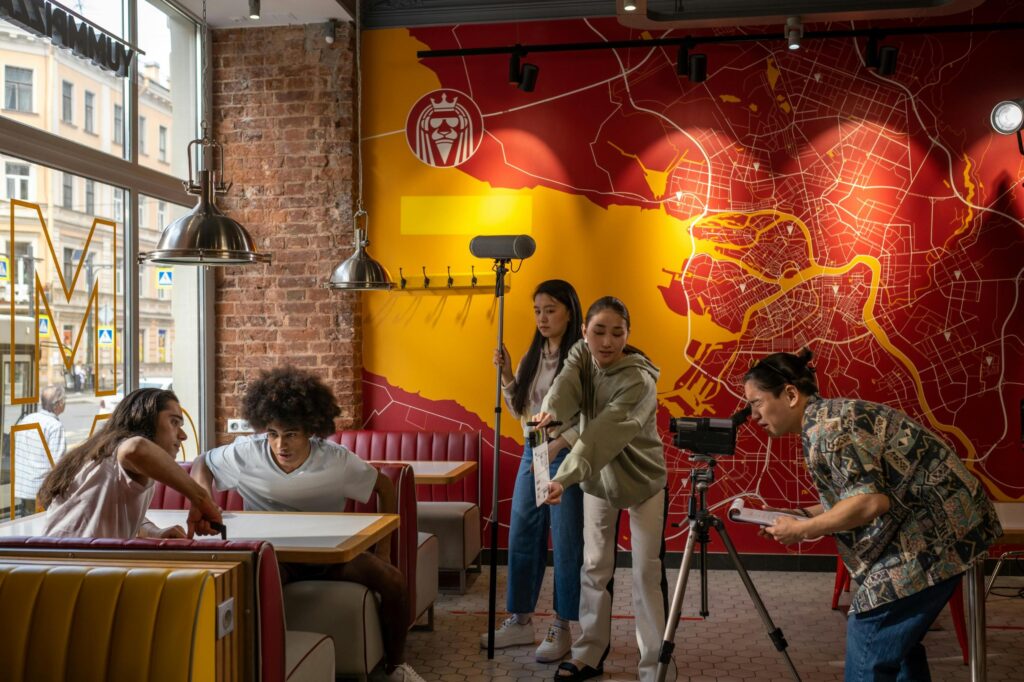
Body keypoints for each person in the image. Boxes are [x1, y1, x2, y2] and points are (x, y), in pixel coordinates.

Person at [744, 348, 1003, 681]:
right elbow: (853, 497)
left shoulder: (829, 430)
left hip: (938, 536)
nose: (753, 415)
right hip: (939, 528)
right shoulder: (825, 421)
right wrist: (792, 515)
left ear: (791, 394)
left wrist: (803, 530)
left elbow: (870, 503)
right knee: (899, 647)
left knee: (871, 628)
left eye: (757, 403)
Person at [189, 366, 425, 682]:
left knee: (394, 581)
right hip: (275, 558)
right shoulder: (246, 453)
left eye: (291, 434)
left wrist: (382, 550)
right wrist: (203, 499)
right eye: (272, 434)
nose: (280, 445)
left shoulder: (336, 459)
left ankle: (397, 668)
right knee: (234, 590)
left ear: (310, 431)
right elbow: (202, 462)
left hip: (331, 557)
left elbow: (383, 486)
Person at [533, 296, 675, 682]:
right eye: (599, 331)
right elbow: (565, 386)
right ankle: (589, 653)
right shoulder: (581, 353)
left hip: (642, 481)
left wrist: (563, 477)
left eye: (617, 333)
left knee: (646, 573)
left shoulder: (638, 380)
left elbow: (600, 435)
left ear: (628, 336)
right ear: (584, 332)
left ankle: (655, 667)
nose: (607, 342)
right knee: (594, 566)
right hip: (598, 479)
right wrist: (552, 412)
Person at [481, 279, 585, 662]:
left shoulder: (581, 357)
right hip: (533, 451)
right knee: (524, 531)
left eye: (551, 309)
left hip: (567, 454)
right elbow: (520, 409)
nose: (542, 318)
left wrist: (563, 441)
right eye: (538, 310)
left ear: (569, 311)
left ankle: (562, 625)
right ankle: (521, 620)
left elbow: (592, 416)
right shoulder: (533, 354)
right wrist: (508, 374)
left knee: (566, 539)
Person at [38, 388, 222, 539]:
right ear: (145, 419)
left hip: (67, 567)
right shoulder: (120, 452)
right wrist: (201, 499)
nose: (183, 435)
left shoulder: (106, 457)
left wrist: (156, 532)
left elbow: (121, 516)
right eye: (174, 422)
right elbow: (136, 448)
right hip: (70, 570)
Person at [12, 384, 68, 516]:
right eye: (64, 400)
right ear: (58, 404)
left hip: (23, 488)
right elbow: (58, 463)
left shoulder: (26, 420)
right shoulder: (54, 426)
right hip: (40, 491)